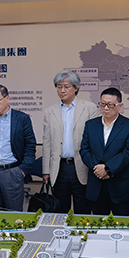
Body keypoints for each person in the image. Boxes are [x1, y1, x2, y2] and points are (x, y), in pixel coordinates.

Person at [43, 69, 100, 214]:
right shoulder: (50, 111)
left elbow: (95, 140)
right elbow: (47, 142)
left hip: (82, 166)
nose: (62, 90)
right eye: (59, 87)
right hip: (59, 168)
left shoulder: (89, 108)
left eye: (66, 86)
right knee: (60, 211)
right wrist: (46, 171)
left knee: (83, 210)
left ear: (76, 87)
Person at [80, 87, 129, 216]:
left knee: (122, 225)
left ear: (120, 106)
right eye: (102, 104)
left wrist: (107, 169)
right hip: (97, 186)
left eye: (110, 105)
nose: (106, 108)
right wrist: (98, 168)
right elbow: (84, 150)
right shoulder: (90, 125)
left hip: (121, 187)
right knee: (98, 225)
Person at [0, 84, 36, 211]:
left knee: (13, 214)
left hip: (13, 172)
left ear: (7, 98)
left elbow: (30, 145)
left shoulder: (22, 118)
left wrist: (22, 171)